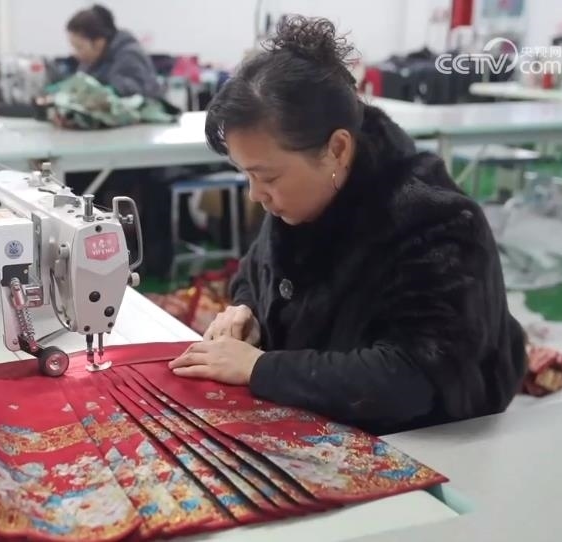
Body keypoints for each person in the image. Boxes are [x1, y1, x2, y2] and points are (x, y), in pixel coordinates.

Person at [168, 16, 527, 435]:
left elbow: (413, 379)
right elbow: (254, 270)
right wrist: (246, 311)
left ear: (337, 149)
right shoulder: (305, 197)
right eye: (246, 175)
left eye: (267, 177)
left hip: (433, 440)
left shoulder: (436, 226)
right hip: (325, 418)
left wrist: (261, 368)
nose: (254, 195)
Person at [65, 4, 161, 98]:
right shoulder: (89, 62)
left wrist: (109, 92)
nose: (75, 54)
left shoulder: (129, 56)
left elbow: (139, 91)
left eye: (79, 47)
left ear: (99, 43)